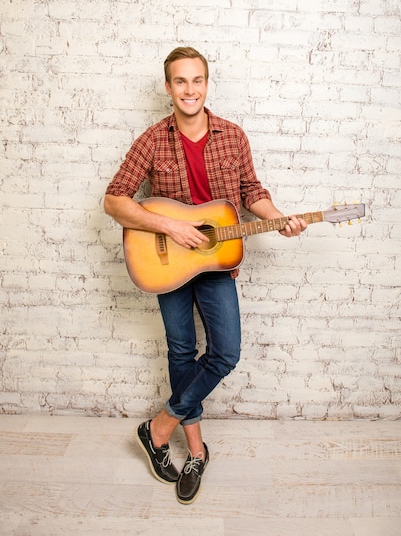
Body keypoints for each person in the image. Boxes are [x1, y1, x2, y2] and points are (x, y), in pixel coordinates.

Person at [104, 46, 307, 504]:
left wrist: (280, 218)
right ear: (168, 87)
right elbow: (114, 200)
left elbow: (251, 190)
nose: (189, 90)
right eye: (180, 81)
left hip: (217, 263)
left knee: (225, 352)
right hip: (167, 263)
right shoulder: (152, 140)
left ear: (207, 85)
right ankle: (195, 450)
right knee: (181, 351)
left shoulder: (233, 137)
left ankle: (159, 427)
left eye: (197, 81)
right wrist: (171, 225)